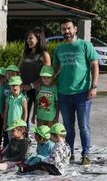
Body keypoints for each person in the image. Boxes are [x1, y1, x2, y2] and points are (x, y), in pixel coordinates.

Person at [53, 19, 99, 165]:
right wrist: (45, 82)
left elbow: (95, 66)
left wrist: (94, 86)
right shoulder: (59, 49)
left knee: (83, 125)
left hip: (83, 92)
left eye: (69, 28)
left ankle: (86, 154)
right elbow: (55, 70)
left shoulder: (85, 45)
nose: (66, 31)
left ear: (75, 30)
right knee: (67, 127)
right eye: (63, 29)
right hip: (64, 93)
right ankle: (69, 153)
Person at [19, 27, 51, 124]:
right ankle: (24, 138)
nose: (28, 40)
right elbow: (18, 70)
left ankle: (42, 139)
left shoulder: (44, 55)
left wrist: (32, 86)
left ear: (38, 39)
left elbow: (47, 76)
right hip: (25, 90)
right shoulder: (25, 54)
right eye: (27, 38)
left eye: (31, 38)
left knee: (40, 119)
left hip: (40, 91)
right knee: (23, 117)